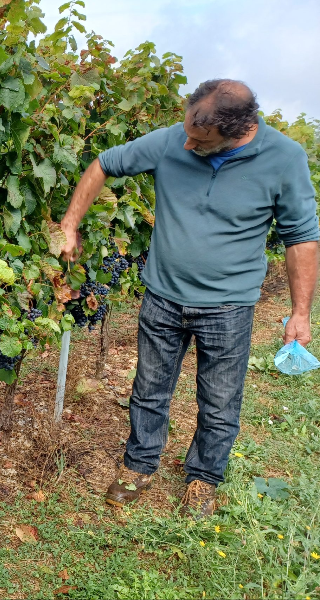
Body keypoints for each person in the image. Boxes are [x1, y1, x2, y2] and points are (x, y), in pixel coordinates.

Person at [59, 79, 319, 518]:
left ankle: (203, 479)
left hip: (229, 307)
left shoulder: (284, 158)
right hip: (162, 296)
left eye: (200, 140)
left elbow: (301, 237)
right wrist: (70, 222)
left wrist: (300, 311)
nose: (186, 142)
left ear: (238, 131)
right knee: (148, 389)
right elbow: (104, 164)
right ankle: (138, 465)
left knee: (219, 400)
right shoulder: (172, 143)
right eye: (186, 130)